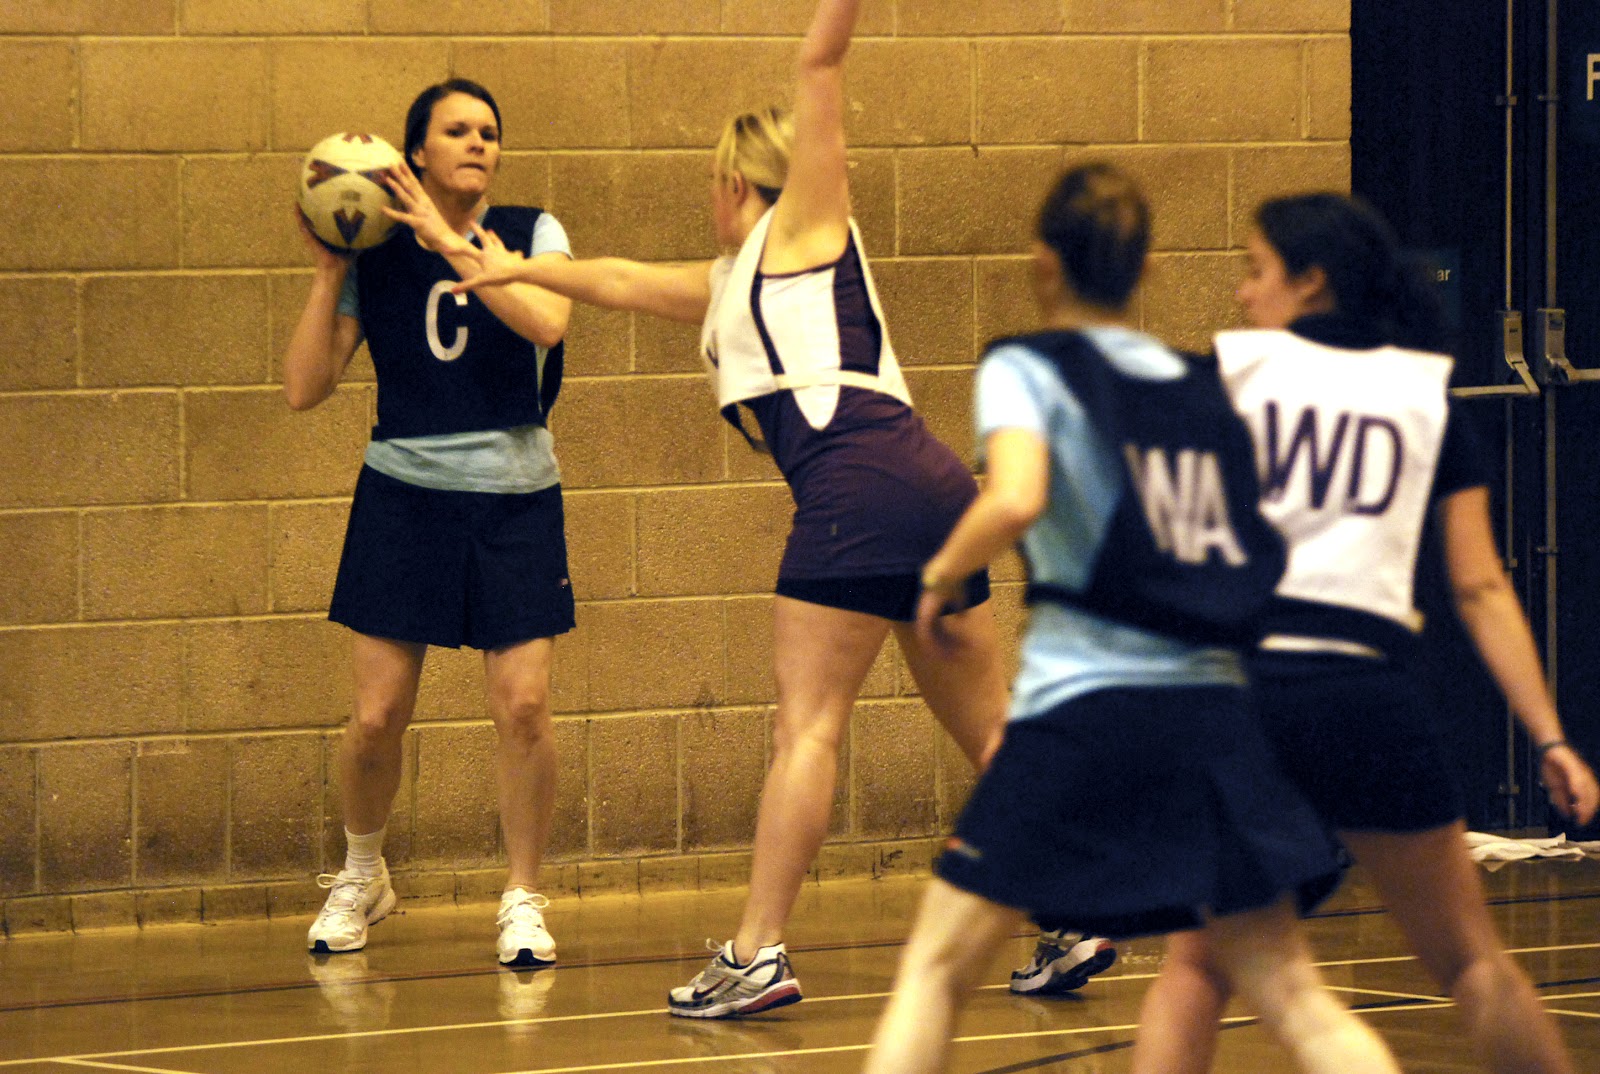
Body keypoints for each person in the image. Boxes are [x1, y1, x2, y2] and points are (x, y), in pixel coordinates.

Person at [438, 0, 1032, 1018]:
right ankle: (1077, 908)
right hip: (930, 486)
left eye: (711, 183)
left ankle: (756, 953)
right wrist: (510, 265)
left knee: (806, 729)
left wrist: (823, 43)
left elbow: (821, 65)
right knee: (990, 735)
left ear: (731, 182)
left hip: (856, 490)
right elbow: (617, 279)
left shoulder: (805, 222)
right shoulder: (732, 282)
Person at [862, 164, 1406, 1074]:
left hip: (1086, 710)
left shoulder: (1027, 364)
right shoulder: (1207, 384)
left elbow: (1017, 496)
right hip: (1215, 722)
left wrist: (939, 577)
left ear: (1043, 263)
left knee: (937, 968)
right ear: (1144, 266)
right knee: (1296, 999)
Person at [1128, 192, 1600, 1074]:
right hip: (1366, 699)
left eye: (1254, 269)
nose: (1241, 294)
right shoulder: (1424, 395)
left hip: (1251, 700)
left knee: (1195, 966)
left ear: (1310, 283)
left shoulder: (1223, 379)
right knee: (1471, 960)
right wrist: (1551, 736)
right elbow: (1480, 585)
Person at [283, 78, 576, 968]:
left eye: (490, 131)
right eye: (458, 131)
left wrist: (457, 245)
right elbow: (303, 387)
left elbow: (548, 320)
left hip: (516, 494)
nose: (479, 143)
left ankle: (523, 895)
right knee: (376, 717)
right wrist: (332, 269)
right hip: (404, 493)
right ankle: (362, 873)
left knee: (523, 706)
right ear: (414, 155)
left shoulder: (532, 233)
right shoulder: (374, 254)